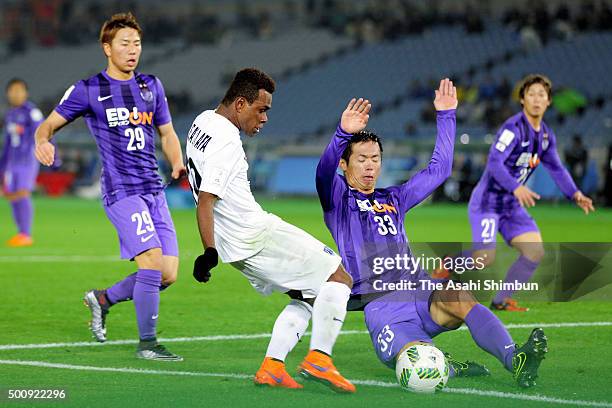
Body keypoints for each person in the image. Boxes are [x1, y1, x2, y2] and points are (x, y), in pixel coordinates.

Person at [316, 79, 548, 388]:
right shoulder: (338, 200)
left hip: (421, 292)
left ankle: (515, 359)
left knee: (461, 297)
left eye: (375, 159)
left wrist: (447, 115)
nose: (370, 166)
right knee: (419, 366)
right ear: (345, 164)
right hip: (383, 307)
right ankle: (448, 364)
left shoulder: (394, 198)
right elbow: (322, 171)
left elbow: (439, 171)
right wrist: (343, 133)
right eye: (361, 159)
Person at [186, 68, 355, 393]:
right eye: (260, 109)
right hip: (253, 235)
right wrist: (208, 252)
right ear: (239, 104)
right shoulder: (226, 142)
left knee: (309, 292)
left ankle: (273, 366)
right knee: (339, 276)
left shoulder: (202, 121)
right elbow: (206, 200)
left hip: (236, 244)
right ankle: (320, 358)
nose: (264, 118)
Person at [34, 12, 184, 361]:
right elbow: (48, 125)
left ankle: (104, 299)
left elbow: (167, 133)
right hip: (121, 191)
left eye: (137, 44)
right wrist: (43, 141)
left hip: (154, 190)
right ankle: (148, 344)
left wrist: (176, 160)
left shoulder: (151, 86)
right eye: (124, 44)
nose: (133, 50)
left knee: (168, 273)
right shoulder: (89, 90)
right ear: (107, 48)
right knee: (150, 260)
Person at [436, 74, 595, 311]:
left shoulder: (546, 136)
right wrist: (516, 187)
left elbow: (556, 167)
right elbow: (494, 162)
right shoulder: (513, 129)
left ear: (549, 101)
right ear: (522, 99)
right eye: (531, 94)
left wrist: (575, 194)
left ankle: (501, 300)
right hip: (488, 202)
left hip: (511, 206)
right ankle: (448, 264)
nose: (537, 99)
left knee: (534, 251)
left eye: (542, 94)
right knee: (484, 258)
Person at [0, 78, 43, 247]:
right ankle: (21, 233)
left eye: (19, 90)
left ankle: (26, 234)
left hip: (27, 160)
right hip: (12, 161)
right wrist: (3, 166)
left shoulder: (32, 112)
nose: (16, 94)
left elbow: (42, 133)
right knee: (10, 195)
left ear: (26, 93)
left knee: (22, 193)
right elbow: (9, 143)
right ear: (7, 93)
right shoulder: (10, 114)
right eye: (12, 90)